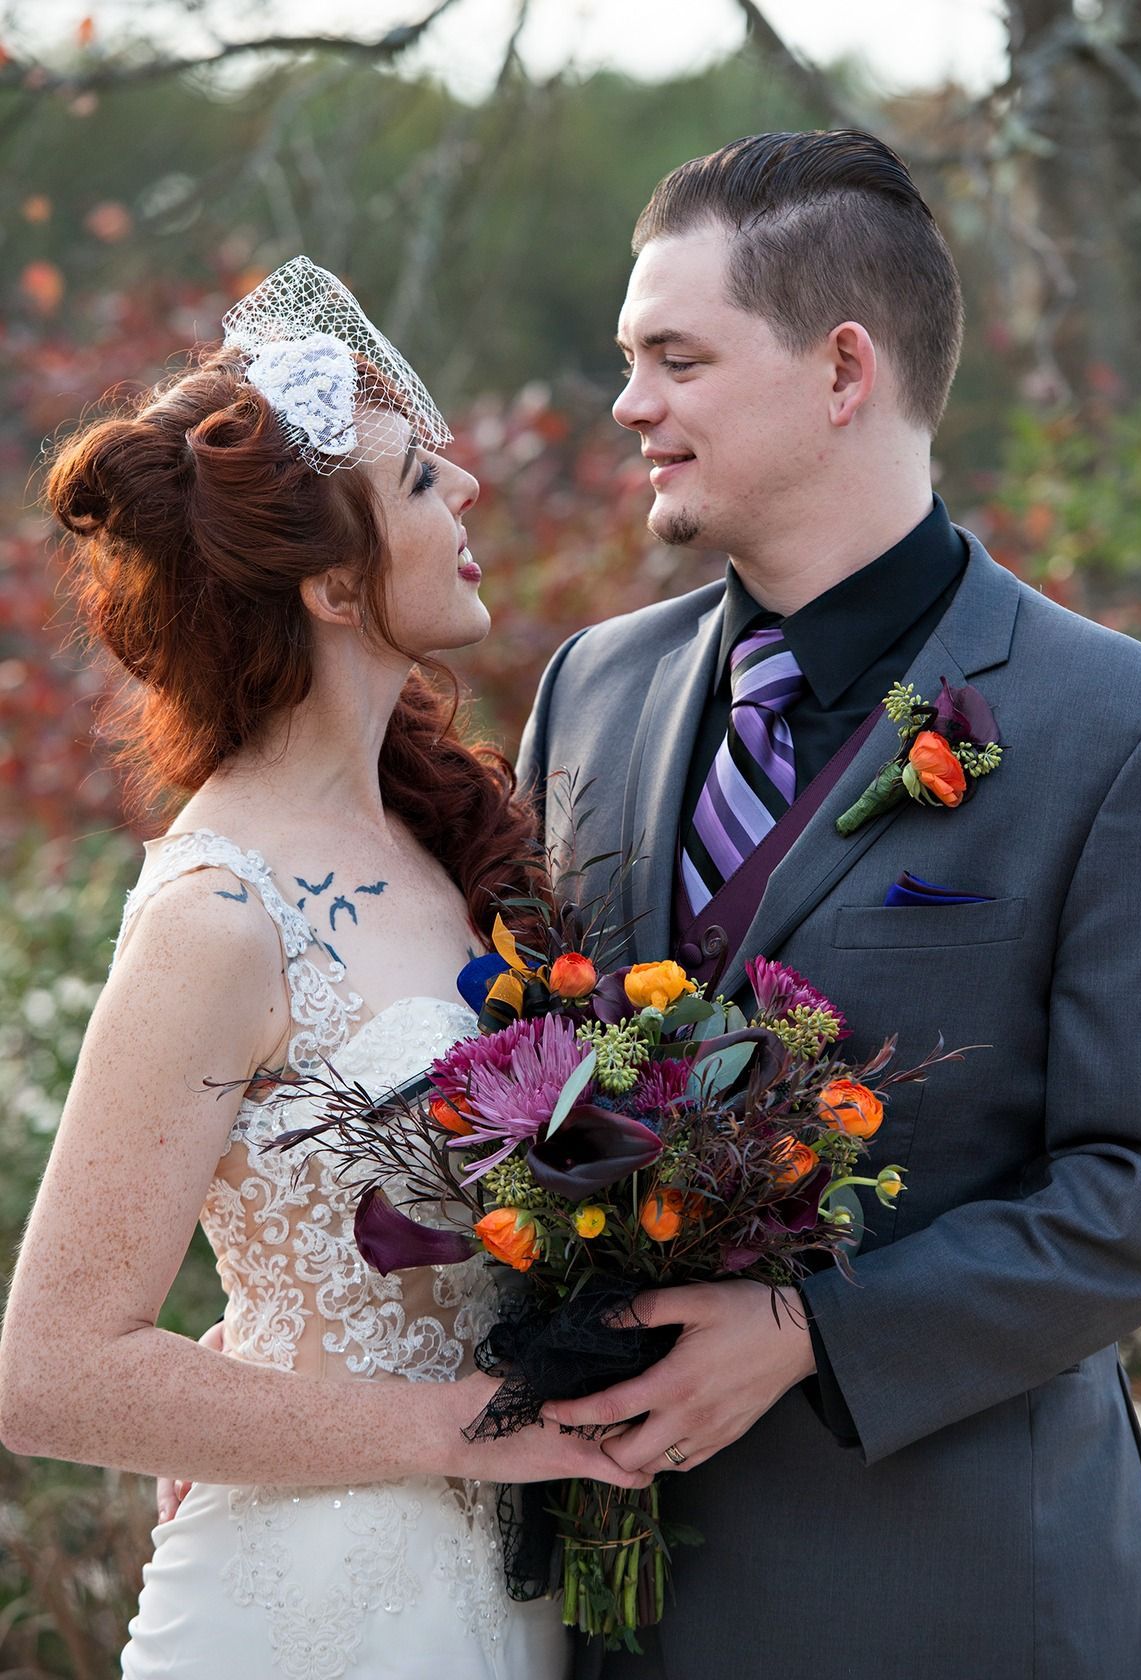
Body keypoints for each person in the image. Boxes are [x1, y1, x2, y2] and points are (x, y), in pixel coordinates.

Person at [517, 132, 1141, 1678]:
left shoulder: (1126, 731)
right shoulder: (590, 691)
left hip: (956, 1601)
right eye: (632, 360)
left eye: (675, 359)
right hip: (610, 1612)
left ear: (842, 370)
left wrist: (815, 1332)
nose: (630, 406)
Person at [0, 257, 649, 1680]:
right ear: (337, 585)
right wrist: (455, 1425)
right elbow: (49, 1372)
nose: (469, 489)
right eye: (421, 482)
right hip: (312, 1604)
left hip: (509, 1589)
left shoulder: (446, 835)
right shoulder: (218, 912)